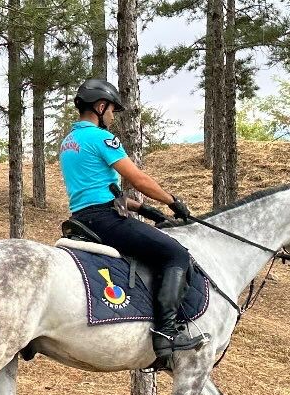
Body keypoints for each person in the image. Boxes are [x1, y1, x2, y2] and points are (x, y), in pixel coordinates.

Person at [57, 78, 204, 365]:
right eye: (112, 109)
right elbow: (137, 178)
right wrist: (172, 201)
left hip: (84, 216)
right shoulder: (101, 138)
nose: (112, 115)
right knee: (176, 254)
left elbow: (99, 189)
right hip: (105, 219)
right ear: (100, 107)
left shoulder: (69, 142)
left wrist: (148, 211)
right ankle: (167, 333)